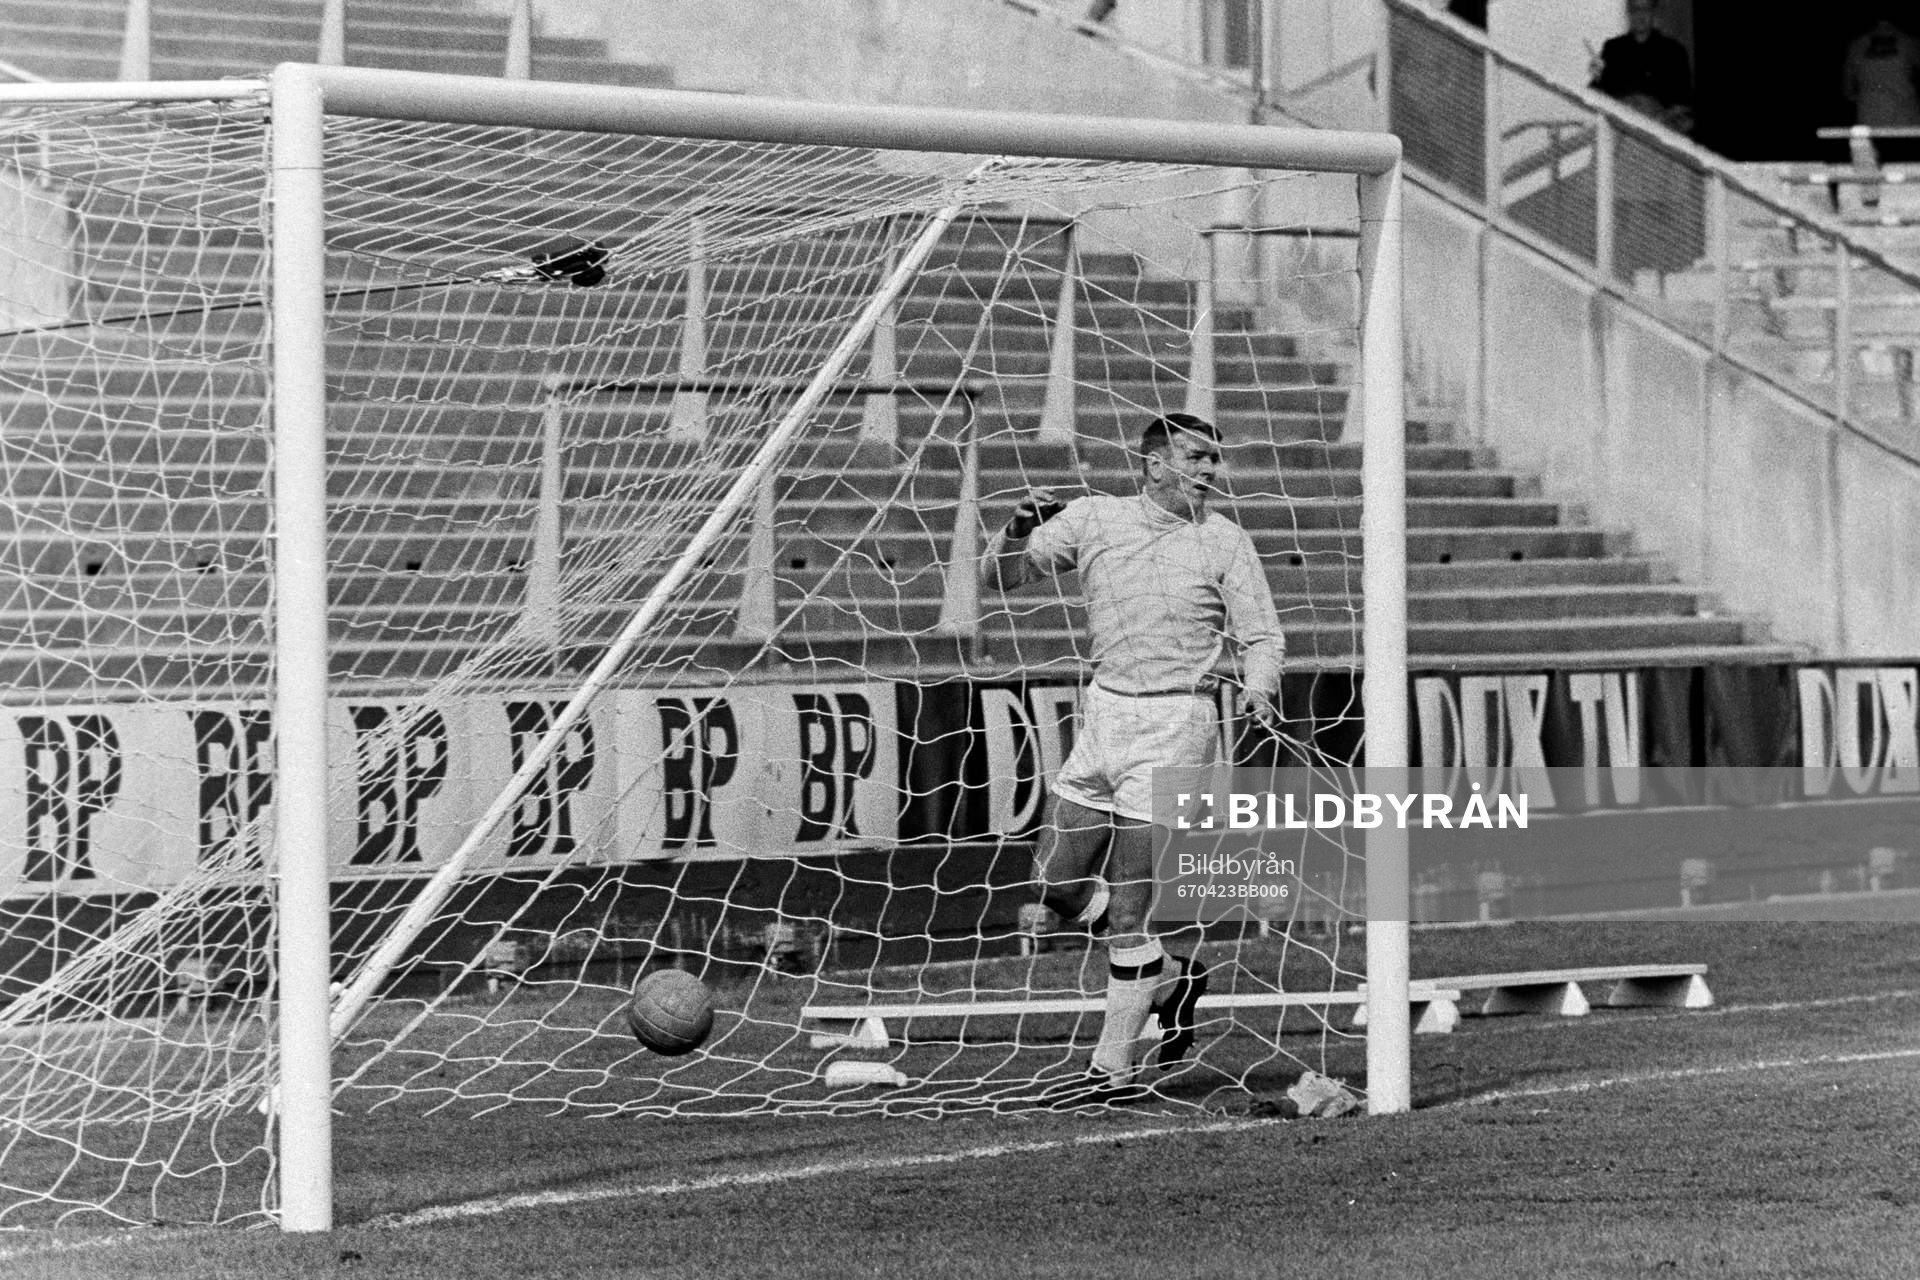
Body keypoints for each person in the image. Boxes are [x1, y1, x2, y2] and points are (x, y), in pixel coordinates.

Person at [981, 412, 1284, 1107]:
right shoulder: (1094, 519)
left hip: (1178, 722)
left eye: (1215, 459)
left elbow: (1263, 635)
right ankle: (1170, 977)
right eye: (1197, 457)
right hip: (1105, 712)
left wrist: (1260, 690)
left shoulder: (1225, 542)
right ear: (1153, 464)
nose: (1210, 471)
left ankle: (1111, 1069)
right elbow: (1002, 580)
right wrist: (1019, 527)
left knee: (1127, 910)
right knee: (1053, 887)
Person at [1588, 0, 1693, 135]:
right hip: (1620, 131)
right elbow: (1595, 95)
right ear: (1628, 13)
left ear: (1654, 12)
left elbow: (1685, 104)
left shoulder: (1674, 50)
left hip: (1658, 133)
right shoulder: (1613, 48)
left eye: (1645, 9)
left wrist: (1658, 119)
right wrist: (1596, 76)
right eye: (1635, 9)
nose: (1640, 15)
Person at [1841, 15, 1920, 178]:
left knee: (1875, 176)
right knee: (1908, 175)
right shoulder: (1909, 42)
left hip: (1869, 123)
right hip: (1906, 123)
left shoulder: (1857, 45)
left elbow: (1847, 90)